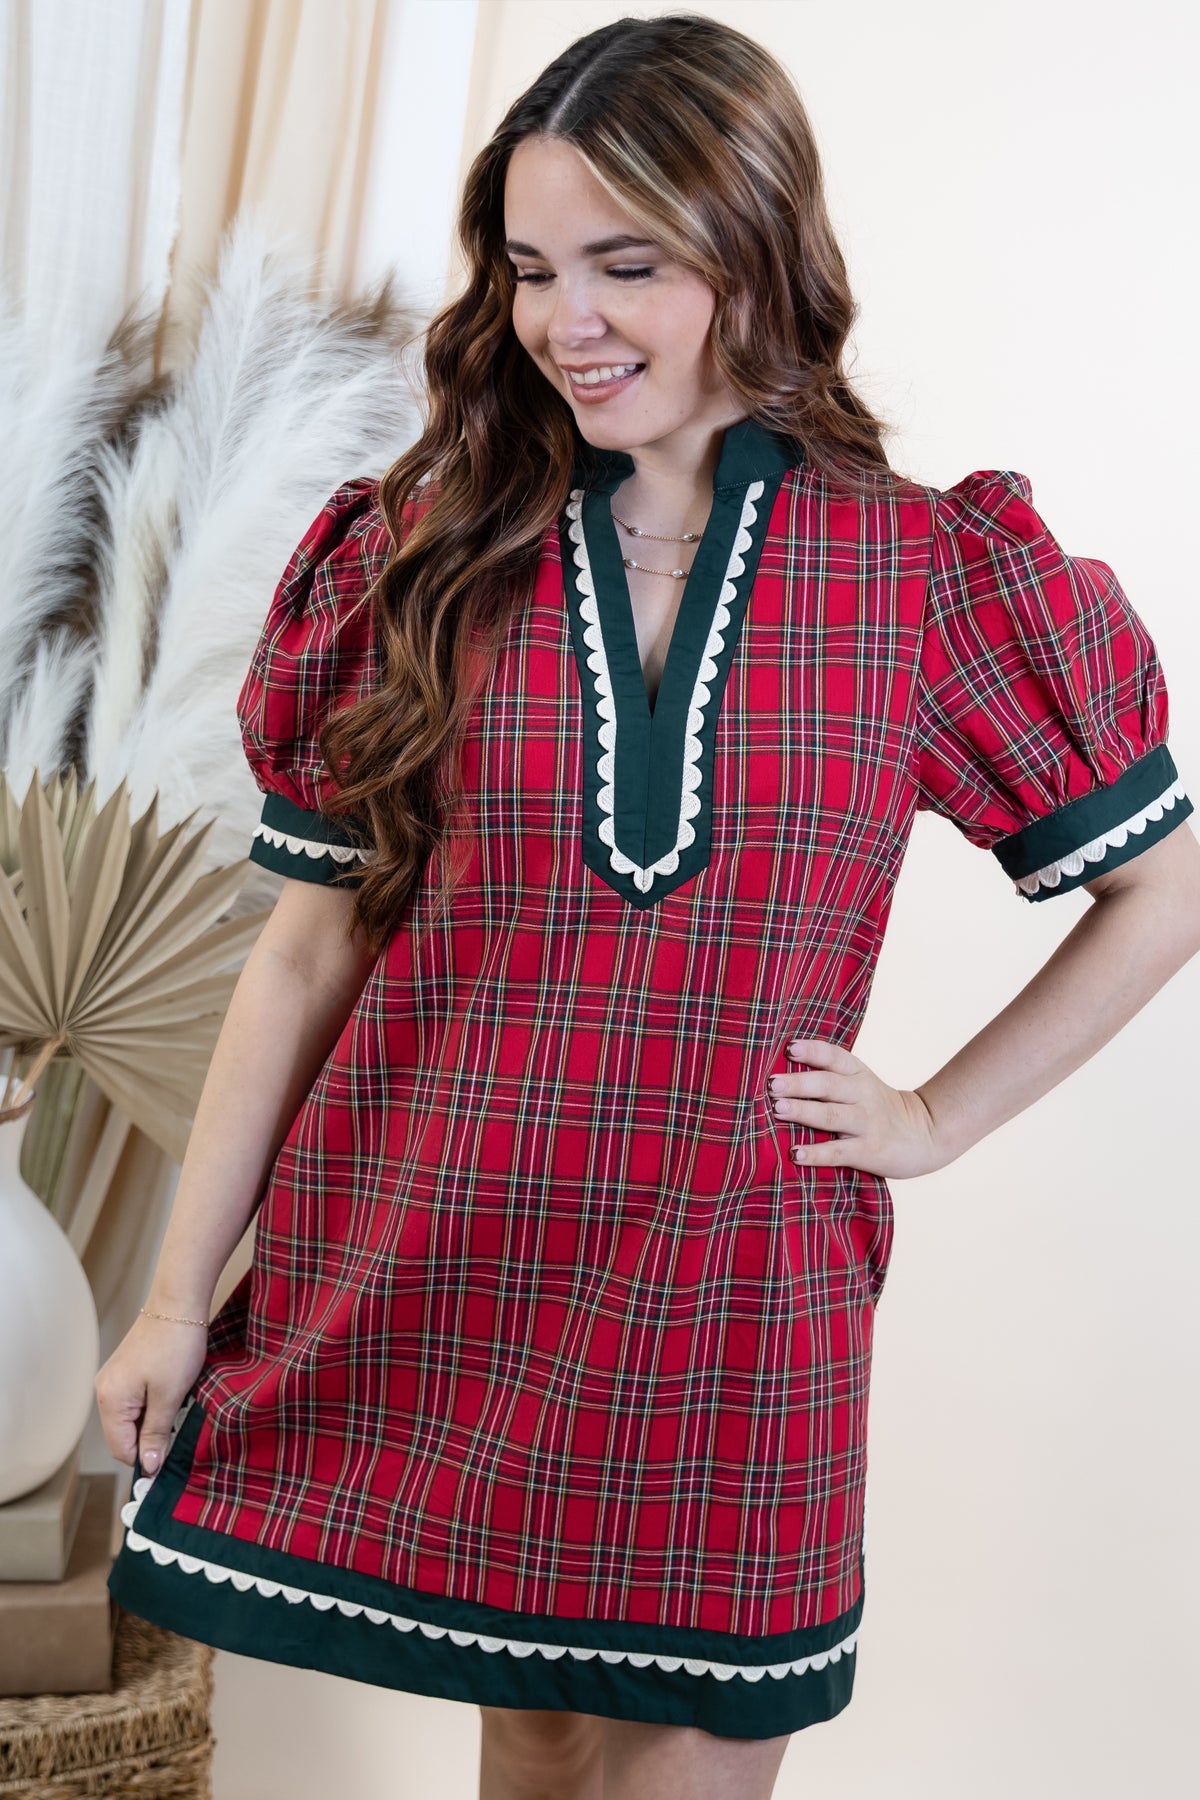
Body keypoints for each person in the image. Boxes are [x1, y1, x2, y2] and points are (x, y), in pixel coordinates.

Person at [98, 12, 1200, 1799]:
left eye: (627, 265)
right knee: (533, 1747)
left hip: (732, 1315)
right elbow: (305, 951)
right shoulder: (424, 552)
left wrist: (933, 1118)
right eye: (532, 270)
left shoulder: (928, 577)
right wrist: (168, 1302)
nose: (566, 322)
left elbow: (1165, 885)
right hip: (441, 1272)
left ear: (757, 252)